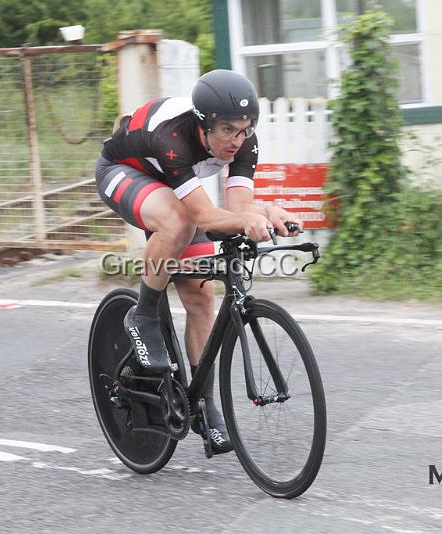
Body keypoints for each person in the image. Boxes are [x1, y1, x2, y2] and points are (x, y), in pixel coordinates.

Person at [94, 69, 301, 453]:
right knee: (178, 222)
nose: (236, 140)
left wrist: (268, 212)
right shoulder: (174, 136)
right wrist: (249, 217)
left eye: (244, 129)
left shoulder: (244, 143)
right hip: (122, 171)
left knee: (202, 295)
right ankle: (142, 316)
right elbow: (206, 217)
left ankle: (203, 403)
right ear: (204, 125)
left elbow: (237, 209)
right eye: (227, 130)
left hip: (167, 189)